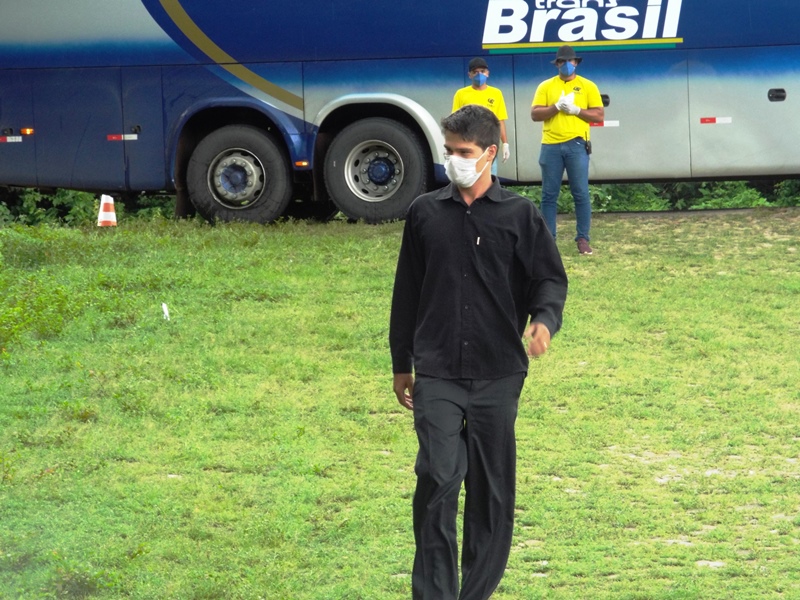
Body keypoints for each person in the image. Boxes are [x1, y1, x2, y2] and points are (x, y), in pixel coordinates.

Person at [389, 104, 568, 600]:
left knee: (492, 494)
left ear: (490, 153)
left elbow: (549, 279)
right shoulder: (424, 213)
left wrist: (544, 320)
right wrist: (401, 362)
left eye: (464, 152)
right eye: (449, 151)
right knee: (437, 475)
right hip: (437, 370)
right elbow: (407, 291)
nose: (454, 160)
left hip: (498, 372)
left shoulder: (520, 215)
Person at [531, 45, 604, 255]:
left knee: (580, 193)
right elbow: (535, 114)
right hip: (550, 145)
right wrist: (556, 107)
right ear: (557, 64)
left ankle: (583, 239)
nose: (566, 65)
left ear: (576, 63)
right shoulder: (546, 86)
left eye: (570, 61)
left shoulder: (588, 86)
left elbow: (599, 115)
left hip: (577, 144)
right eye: (562, 61)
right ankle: (548, 240)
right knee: (548, 195)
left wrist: (577, 110)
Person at [452, 57, 510, 176]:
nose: (479, 75)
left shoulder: (496, 93)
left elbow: (500, 120)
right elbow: (455, 122)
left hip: (489, 145)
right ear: (469, 75)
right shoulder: (461, 94)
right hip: (468, 145)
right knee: (469, 179)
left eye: (482, 71)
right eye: (475, 72)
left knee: (489, 178)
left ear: (488, 73)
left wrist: (505, 144)